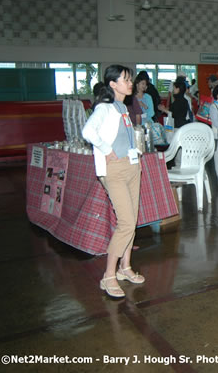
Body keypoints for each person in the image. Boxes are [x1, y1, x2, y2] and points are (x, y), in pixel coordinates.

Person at [82, 65, 145, 298]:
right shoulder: (105, 108)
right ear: (112, 84)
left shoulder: (122, 107)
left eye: (130, 80)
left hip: (131, 167)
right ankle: (108, 276)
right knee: (126, 222)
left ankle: (125, 268)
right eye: (126, 80)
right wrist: (107, 150)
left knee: (132, 219)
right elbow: (88, 131)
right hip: (114, 170)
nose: (130, 83)